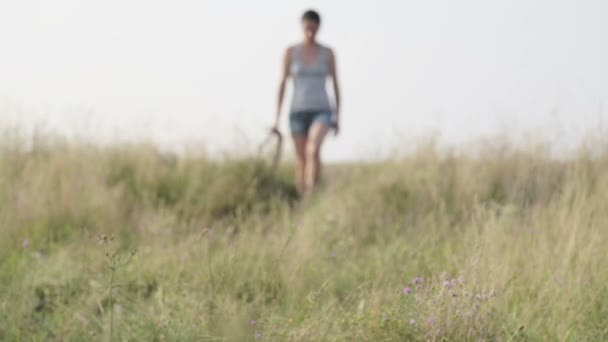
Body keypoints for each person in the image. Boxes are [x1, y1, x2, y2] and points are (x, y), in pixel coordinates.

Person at [272, 9, 341, 197]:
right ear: (302, 27)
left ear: (319, 28)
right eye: (307, 28)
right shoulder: (290, 52)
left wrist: (338, 116)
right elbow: (282, 83)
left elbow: (335, 84)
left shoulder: (327, 53)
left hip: (322, 110)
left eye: (314, 28)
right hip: (297, 111)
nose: (310, 32)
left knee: (313, 149)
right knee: (300, 158)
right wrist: (276, 119)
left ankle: (311, 192)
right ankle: (301, 195)